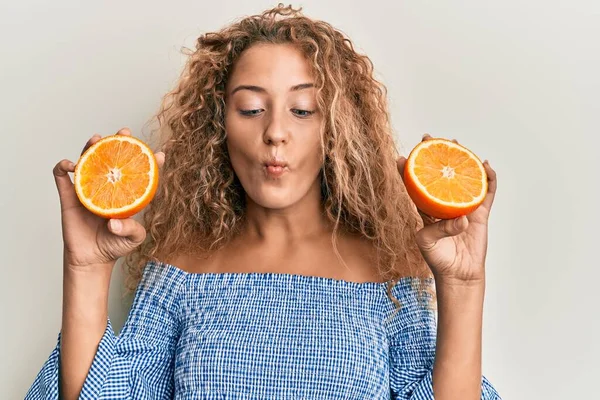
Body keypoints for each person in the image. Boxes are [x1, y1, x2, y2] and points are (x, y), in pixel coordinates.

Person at [26, 4, 502, 399]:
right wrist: (85, 269)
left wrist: (462, 286)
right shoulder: (181, 271)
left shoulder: (391, 280)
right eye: (251, 109)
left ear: (336, 128)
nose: (275, 132)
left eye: (303, 110)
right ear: (218, 126)